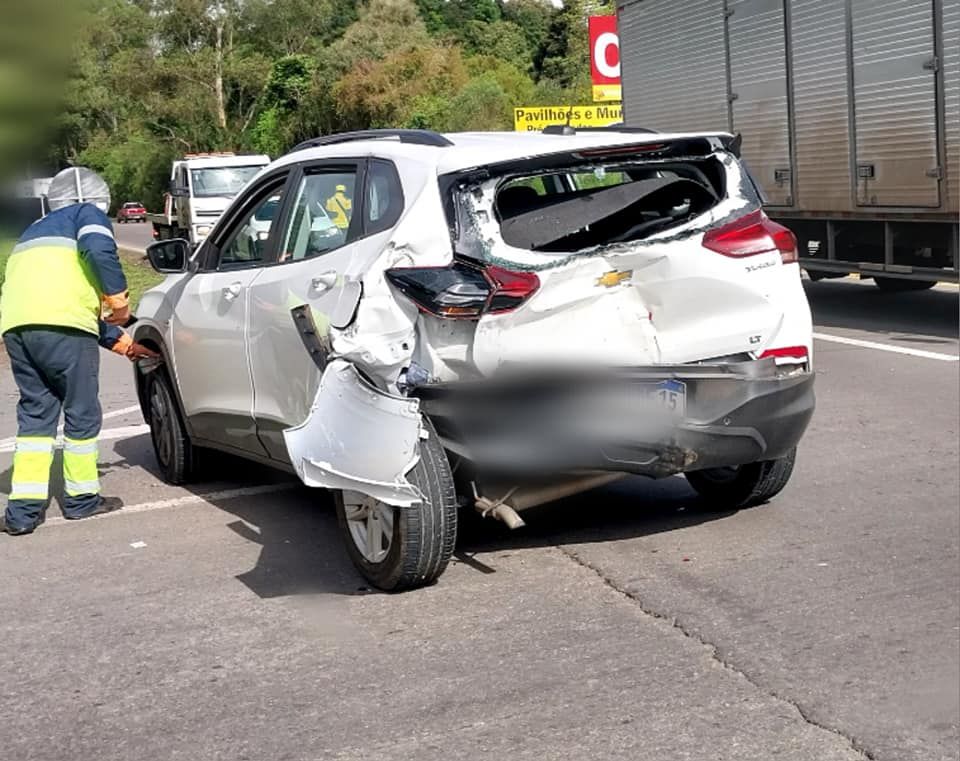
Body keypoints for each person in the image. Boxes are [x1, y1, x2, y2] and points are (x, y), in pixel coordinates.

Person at [0, 168, 157, 536]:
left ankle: (22, 513)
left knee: (36, 417)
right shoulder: (87, 214)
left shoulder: (31, 233)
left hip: (18, 330)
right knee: (81, 414)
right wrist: (119, 302)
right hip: (64, 329)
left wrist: (124, 344)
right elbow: (100, 251)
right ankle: (82, 501)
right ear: (95, 197)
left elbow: (61, 303)